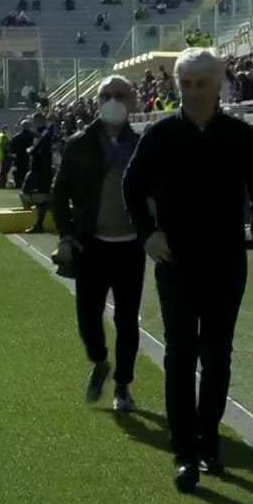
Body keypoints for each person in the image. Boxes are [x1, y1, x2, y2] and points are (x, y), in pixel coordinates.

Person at [122, 47, 253, 493]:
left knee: (217, 355)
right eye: (186, 84)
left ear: (219, 84)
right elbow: (131, 185)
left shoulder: (239, 136)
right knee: (179, 354)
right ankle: (184, 453)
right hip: (175, 261)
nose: (193, 92)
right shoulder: (160, 135)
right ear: (178, 86)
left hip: (227, 260)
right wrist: (146, 234)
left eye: (202, 84)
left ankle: (209, 441)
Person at [51, 76, 145, 412]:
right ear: (97, 100)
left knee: (127, 319)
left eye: (120, 95)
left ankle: (122, 385)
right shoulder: (79, 143)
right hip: (90, 244)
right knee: (88, 316)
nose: (113, 100)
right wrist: (65, 235)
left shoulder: (142, 145)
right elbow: (59, 195)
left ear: (132, 101)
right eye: (106, 95)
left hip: (132, 245)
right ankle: (100, 361)